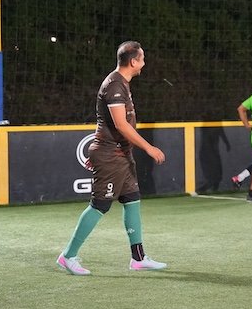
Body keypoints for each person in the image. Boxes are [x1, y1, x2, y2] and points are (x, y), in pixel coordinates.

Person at [56, 41, 168, 275]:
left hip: (120, 154)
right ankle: (68, 256)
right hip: (110, 156)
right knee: (99, 206)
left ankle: (138, 258)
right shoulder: (115, 84)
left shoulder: (122, 83)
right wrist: (148, 148)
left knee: (132, 200)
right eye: (142, 58)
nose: (144, 63)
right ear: (133, 61)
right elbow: (120, 124)